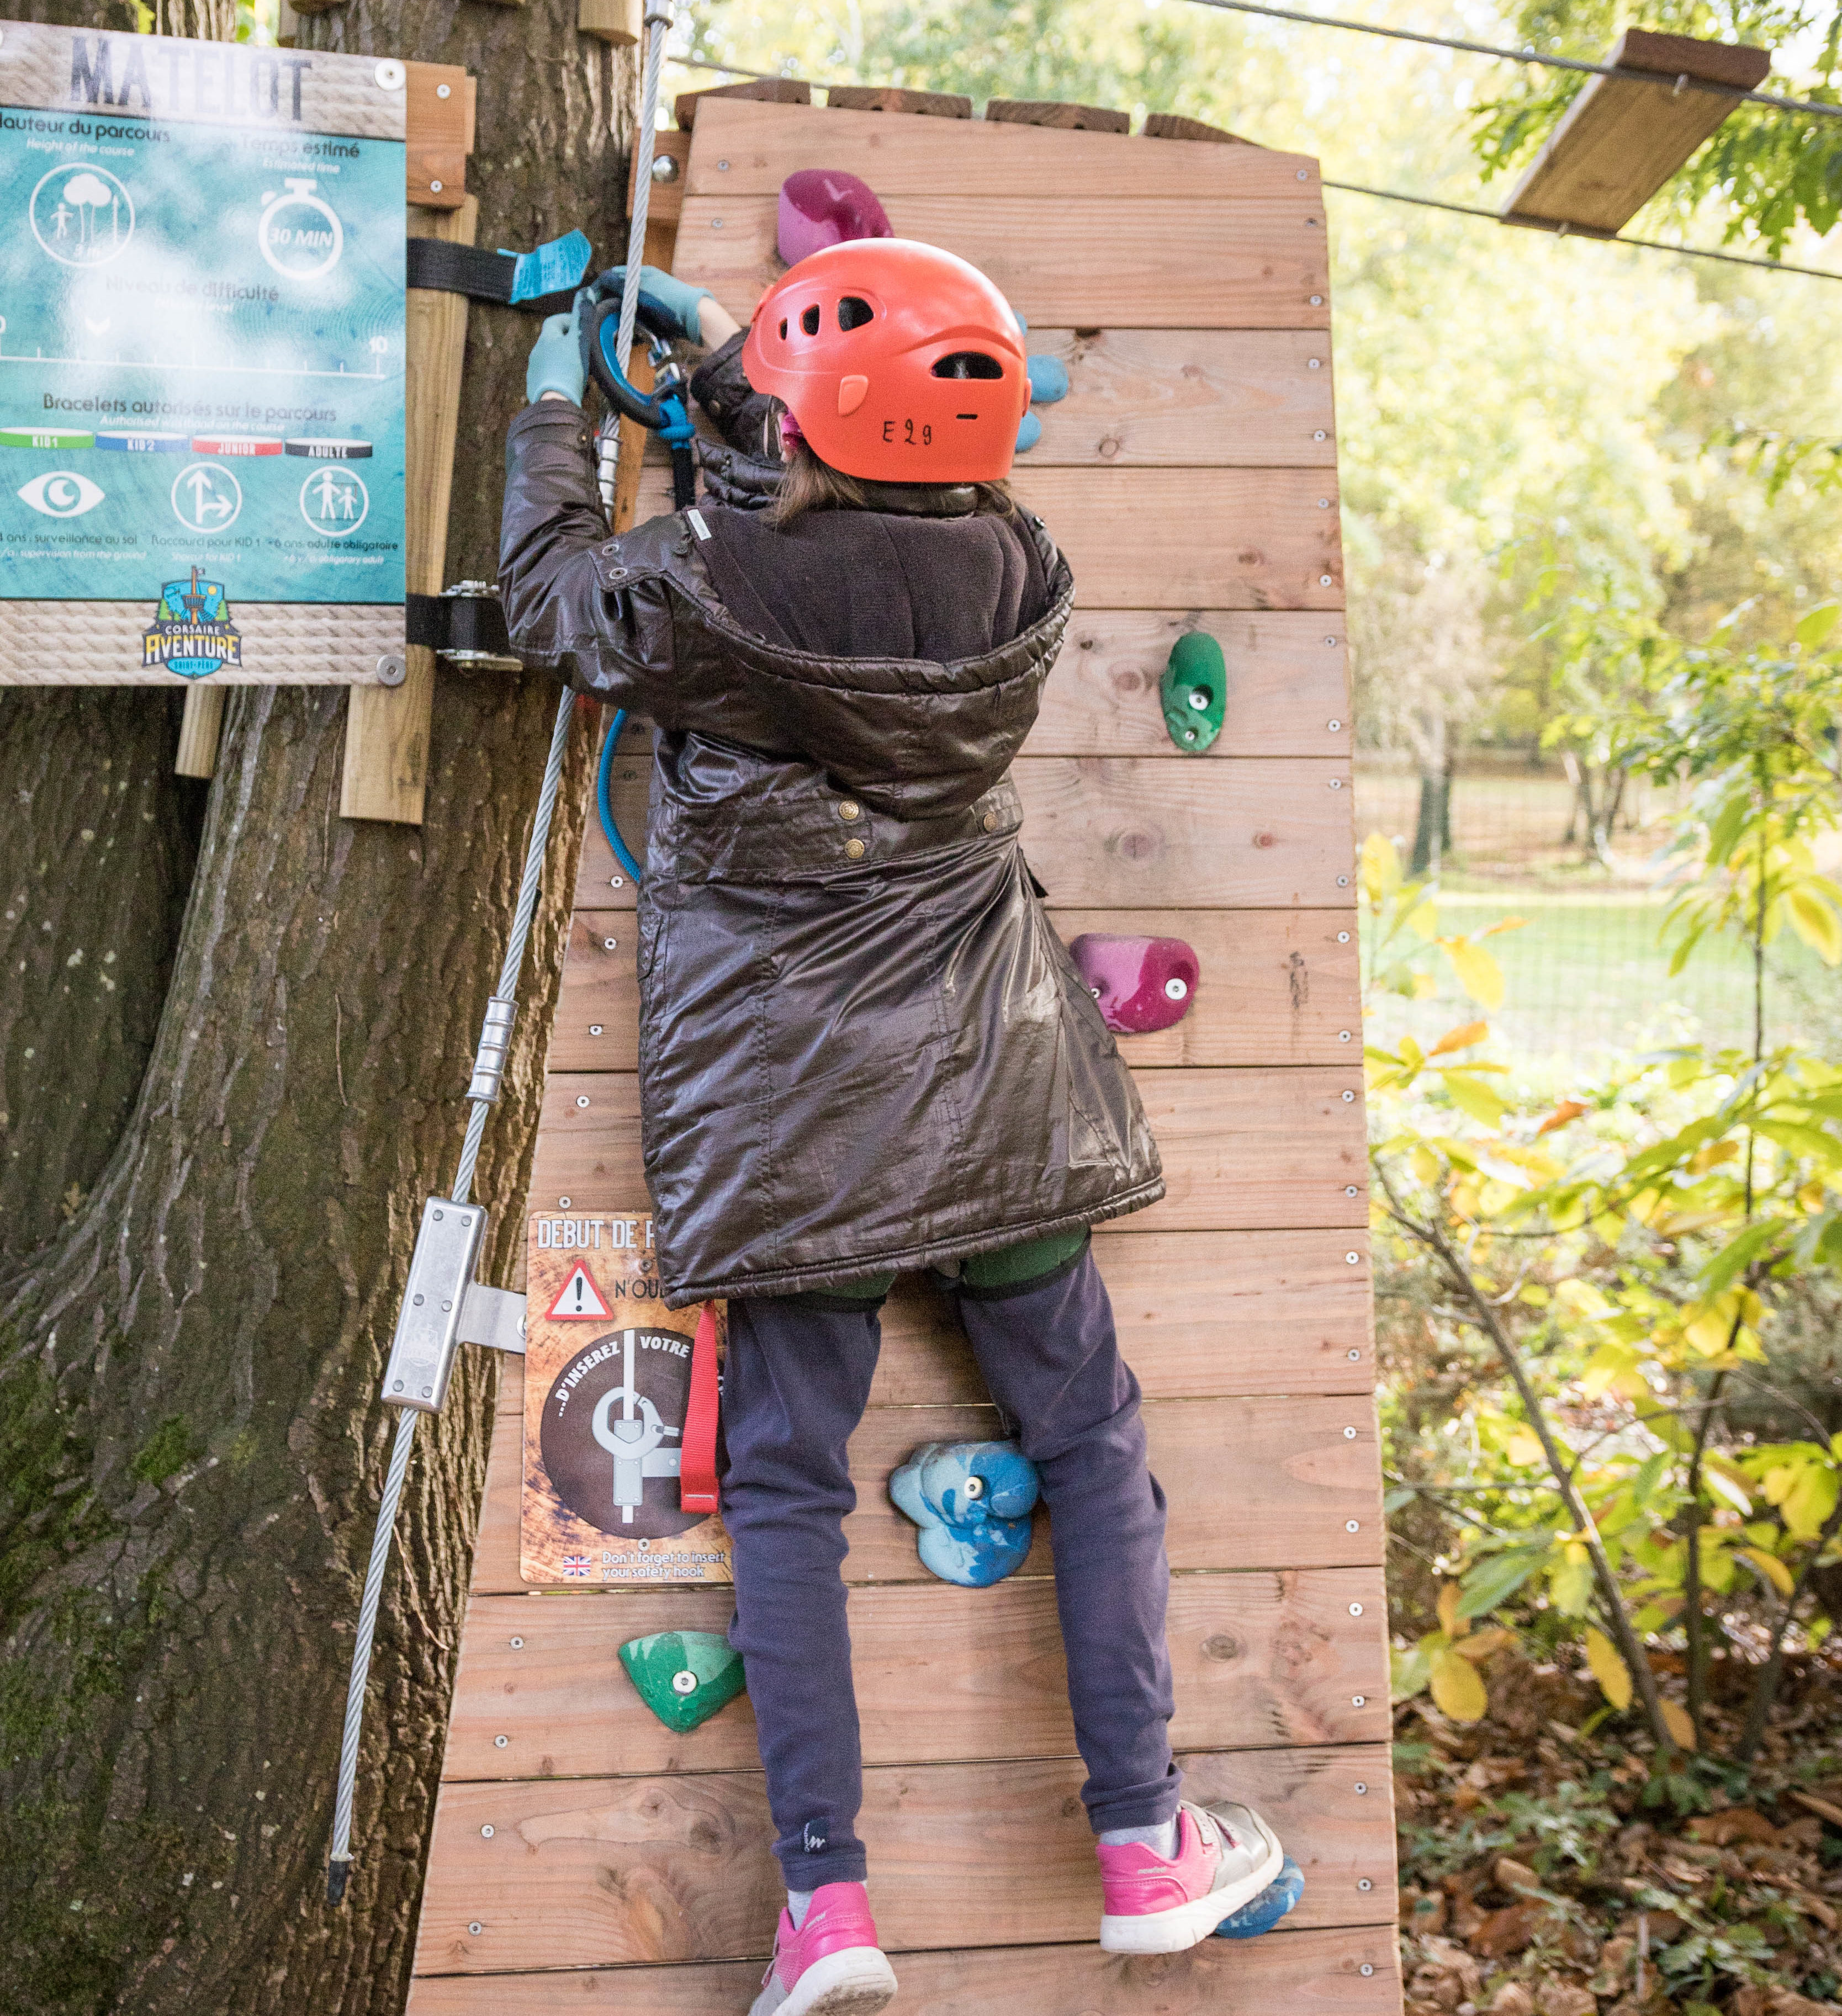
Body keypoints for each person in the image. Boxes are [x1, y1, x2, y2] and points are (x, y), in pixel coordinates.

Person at [497, 241, 1283, 2016]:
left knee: (786, 1481)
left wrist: (559, 396)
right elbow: (835, 508)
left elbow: (558, 598)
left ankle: (832, 1909)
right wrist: (717, 374)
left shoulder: (707, 587)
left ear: (811, 413)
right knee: (1088, 1435)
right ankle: (1149, 1846)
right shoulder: (1025, 569)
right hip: (997, 1074)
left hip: (802, 1121)